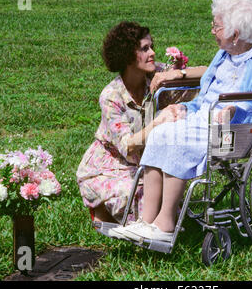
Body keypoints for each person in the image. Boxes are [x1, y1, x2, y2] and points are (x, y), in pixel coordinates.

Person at [109, 0, 252, 241]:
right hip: (206, 122)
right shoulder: (225, 55)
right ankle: (146, 220)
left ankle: (165, 224)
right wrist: (186, 108)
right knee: (161, 131)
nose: (212, 31)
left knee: (177, 138)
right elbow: (207, 96)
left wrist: (234, 111)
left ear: (235, 34)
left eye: (216, 27)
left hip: (239, 131)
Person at [76, 21, 206, 224]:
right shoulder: (112, 96)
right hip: (112, 164)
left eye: (151, 46)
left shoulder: (158, 76)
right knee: (143, 203)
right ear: (127, 55)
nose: (153, 52)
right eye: (145, 49)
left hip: (148, 161)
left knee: (168, 204)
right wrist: (158, 123)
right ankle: (101, 208)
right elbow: (127, 146)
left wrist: (179, 73)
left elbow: (211, 73)